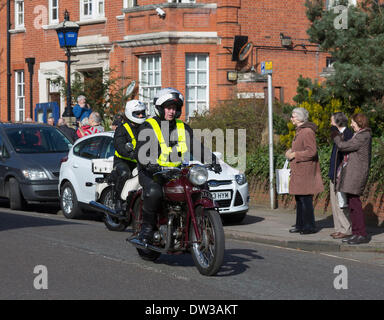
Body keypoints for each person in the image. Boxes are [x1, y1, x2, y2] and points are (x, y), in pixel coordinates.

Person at [134, 87, 222, 244]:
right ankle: (147, 229)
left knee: (200, 186)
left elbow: (195, 146)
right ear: (160, 108)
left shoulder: (182, 127)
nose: (171, 112)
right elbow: (141, 152)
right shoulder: (149, 126)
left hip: (175, 171)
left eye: (174, 108)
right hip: (152, 172)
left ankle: (202, 222)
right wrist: (150, 164)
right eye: (168, 108)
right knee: (154, 192)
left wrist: (212, 160)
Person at [332, 113, 372, 245]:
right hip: (352, 173)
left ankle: (361, 234)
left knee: (355, 204)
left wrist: (336, 137)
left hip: (357, 174)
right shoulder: (359, 135)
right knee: (352, 204)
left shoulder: (364, 135)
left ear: (359, 122)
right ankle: (356, 233)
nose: (351, 124)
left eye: (353, 122)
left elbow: (345, 146)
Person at [285, 107, 324, 235]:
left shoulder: (307, 131)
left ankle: (309, 226)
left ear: (301, 118)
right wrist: (290, 152)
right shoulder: (300, 131)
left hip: (305, 172)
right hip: (299, 171)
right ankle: (300, 224)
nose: (291, 119)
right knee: (299, 199)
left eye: (293, 116)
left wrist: (295, 154)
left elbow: (312, 152)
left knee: (306, 199)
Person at [112, 100, 147, 215]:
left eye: (142, 112)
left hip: (140, 161)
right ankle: (118, 201)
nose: (141, 115)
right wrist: (130, 153)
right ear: (130, 113)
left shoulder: (146, 127)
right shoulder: (122, 128)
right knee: (125, 173)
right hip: (123, 161)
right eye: (138, 113)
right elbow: (120, 145)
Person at [328, 112, 354, 239]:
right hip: (333, 174)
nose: (330, 123)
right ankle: (338, 228)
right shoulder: (337, 134)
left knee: (342, 203)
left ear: (338, 122)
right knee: (335, 203)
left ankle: (346, 228)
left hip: (341, 175)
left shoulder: (348, 134)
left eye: (332, 121)